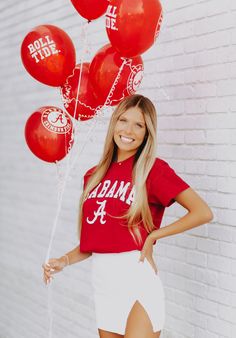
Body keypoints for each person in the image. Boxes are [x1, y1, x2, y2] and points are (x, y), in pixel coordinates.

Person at [42, 94, 213, 338]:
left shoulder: (153, 170)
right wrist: (63, 261)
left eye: (139, 124)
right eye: (123, 120)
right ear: (114, 123)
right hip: (103, 286)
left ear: (147, 133)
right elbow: (96, 241)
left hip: (137, 280)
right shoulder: (93, 176)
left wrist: (154, 236)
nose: (128, 130)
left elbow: (202, 211)